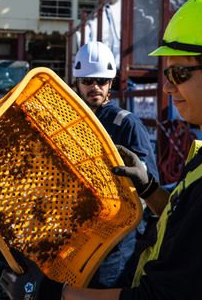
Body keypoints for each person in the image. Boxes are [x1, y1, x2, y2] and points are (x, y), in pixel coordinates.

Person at [0, 0, 202, 300]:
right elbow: (188, 231)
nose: (167, 87)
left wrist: (52, 293)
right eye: (168, 73)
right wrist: (149, 188)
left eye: (180, 73)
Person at [72, 40, 158, 288]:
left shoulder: (126, 124)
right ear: (77, 83)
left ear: (111, 83)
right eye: (88, 81)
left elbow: (150, 182)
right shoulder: (74, 122)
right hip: (82, 233)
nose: (95, 87)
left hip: (119, 241)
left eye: (101, 81)